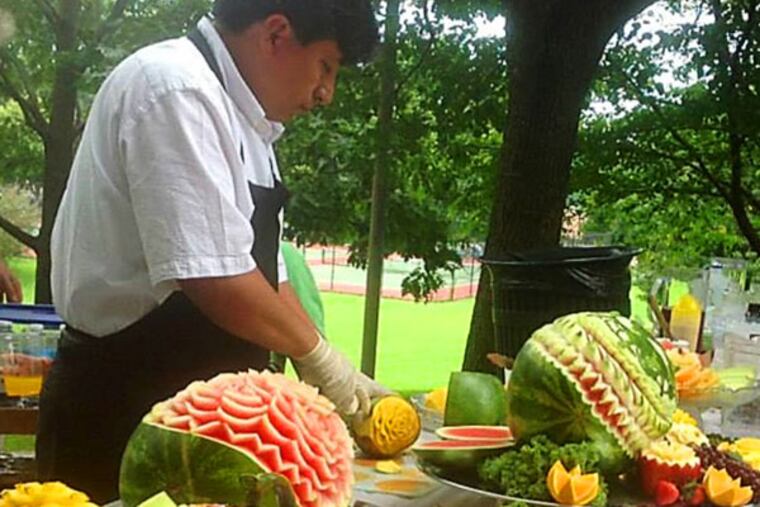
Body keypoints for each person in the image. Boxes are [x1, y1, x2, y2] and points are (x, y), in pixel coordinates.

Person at [38, 1, 386, 502]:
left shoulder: (251, 128)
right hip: (120, 411)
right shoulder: (175, 89)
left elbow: (263, 274)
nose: (326, 94)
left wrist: (334, 370)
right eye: (326, 66)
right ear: (276, 34)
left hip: (213, 429)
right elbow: (215, 278)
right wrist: (318, 356)